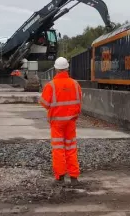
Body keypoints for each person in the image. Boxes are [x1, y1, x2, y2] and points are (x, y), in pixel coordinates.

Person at [39, 57, 82, 186]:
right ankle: (74, 177)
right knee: (71, 148)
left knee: (58, 149)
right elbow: (79, 103)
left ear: (56, 69)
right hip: (71, 122)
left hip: (57, 123)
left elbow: (45, 104)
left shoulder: (51, 85)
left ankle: (60, 176)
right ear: (67, 68)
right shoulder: (75, 84)